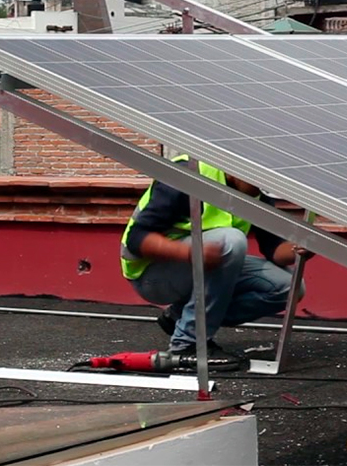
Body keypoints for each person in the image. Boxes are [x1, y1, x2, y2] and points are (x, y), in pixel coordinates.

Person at [121, 154, 309, 368]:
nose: (256, 193)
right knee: (232, 241)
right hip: (152, 274)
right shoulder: (189, 172)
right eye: (255, 186)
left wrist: (302, 247)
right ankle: (187, 345)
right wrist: (191, 253)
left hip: (206, 261)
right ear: (235, 169)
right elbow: (137, 239)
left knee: (291, 287)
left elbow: (274, 249)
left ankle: (181, 317)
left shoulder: (256, 192)